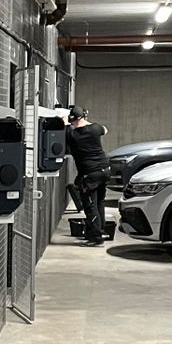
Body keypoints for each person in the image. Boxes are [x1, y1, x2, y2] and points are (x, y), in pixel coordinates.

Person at [66, 104, 110, 246]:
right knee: (99, 203)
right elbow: (105, 130)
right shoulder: (96, 128)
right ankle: (100, 231)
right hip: (104, 170)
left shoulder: (72, 134)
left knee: (90, 207)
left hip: (89, 175)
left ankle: (96, 238)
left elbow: (66, 128)